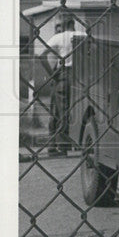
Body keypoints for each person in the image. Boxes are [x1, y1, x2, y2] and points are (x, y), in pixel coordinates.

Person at [42, 18, 82, 154]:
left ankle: (59, 145)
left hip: (62, 74)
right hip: (80, 74)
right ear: (73, 24)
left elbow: (42, 56)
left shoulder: (58, 37)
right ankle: (71, 142)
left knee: (60, 109)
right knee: (75, 109)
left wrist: (51, 75)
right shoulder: (83, 36)